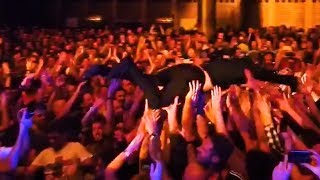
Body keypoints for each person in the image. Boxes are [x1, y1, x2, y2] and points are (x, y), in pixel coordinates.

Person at [108, 56, 298, 109]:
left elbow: (265, 74)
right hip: (192, 77)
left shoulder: (226, 65)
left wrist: (287, 81)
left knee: (151, 81)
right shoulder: (237, 69)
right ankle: (129, 66)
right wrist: (251, 79)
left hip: (183, 72)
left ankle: (105, 71)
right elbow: (250, 70)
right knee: (157, 102)